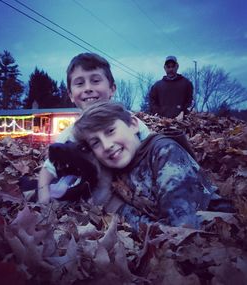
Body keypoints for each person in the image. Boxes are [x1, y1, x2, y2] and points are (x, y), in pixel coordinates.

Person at [73, 101, 219, 229]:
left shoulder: (164, 152)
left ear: (133, 125)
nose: (106, 145)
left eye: (110, 131)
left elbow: (181, 233)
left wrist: (118, 209)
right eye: (95, 142)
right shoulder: (114, 168)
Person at [38, 53, 151, 204]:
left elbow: (153, 153)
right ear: (71, 95)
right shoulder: (69, 135)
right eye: (79, 83)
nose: (88, 88)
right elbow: (48, 170)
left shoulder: (129, 122)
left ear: (112, 88)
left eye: (96, 81)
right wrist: (44, 197)